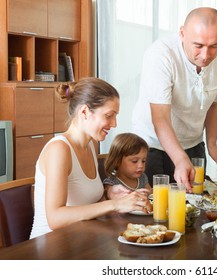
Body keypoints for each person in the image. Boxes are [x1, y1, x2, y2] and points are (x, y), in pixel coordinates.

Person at [30, 77, 151, 239]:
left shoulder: (90, 147)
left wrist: (111, 194)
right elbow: (55, 219)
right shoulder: (59, 149)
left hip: (81, 239)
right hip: (50, 247)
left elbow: (86, 203)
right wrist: (114, 204)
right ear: (84, 112)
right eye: (109, 115)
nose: (114, 123)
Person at [132, 7, 217, 190]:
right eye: (198, 45)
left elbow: (215, 104)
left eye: (214, 46)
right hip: (153, 145)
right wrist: (179, 158)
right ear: (182, 33)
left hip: (194, 143)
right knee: (158, 210)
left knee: (196, 207)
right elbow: (160, 117)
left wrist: (212, 144)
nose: (205, 55)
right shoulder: (161, 55)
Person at [103, 133, 152, 201]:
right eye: (134, 161)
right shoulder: (111, 183)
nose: (141, 165)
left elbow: (151, 196)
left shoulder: (142, 178)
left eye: (143, 161)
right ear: (117, 161)